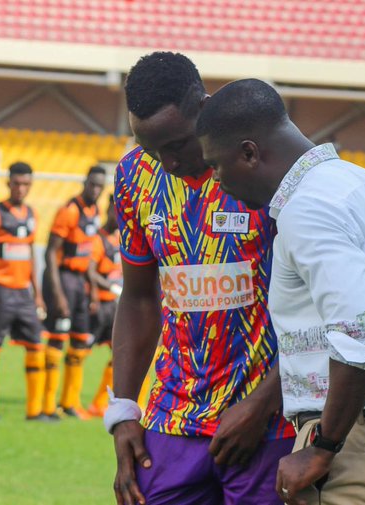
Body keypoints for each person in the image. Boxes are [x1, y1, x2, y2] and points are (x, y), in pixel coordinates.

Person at [196, 79, 365, 505]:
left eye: (216, 165)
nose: (216, 180)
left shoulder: (307, 208)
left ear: (249, 153)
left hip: (357, 456)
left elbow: (361, 331)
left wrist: (324, 446)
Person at [106, 52, 294, 505]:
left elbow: (315, 306)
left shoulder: (260, 171)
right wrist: (124, 408)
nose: (167, 162)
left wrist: (264, 403)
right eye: (153, 148)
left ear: (204, 108)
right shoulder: (134, 176)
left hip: (267, 423)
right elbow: (138, 300)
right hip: (173, 418)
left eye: (178, 144)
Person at [0, 162, 47, 421]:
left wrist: (37, 293)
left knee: (36, 346)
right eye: (16, 183)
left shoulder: (32, 214)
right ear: (8, 183)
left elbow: (30, 256)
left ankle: (34, 411)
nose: (21, 189)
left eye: (26, 184)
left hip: (23, 294)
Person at [42, 165, 105, 420]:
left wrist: (92, 292)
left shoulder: (95, 211)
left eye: (100, 186)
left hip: (81, 282)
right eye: (93, 184)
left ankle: (69, 402)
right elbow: (50, 253)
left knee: (80, 341)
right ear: (85, 183)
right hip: (64, 279)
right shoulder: (69, 211)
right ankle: (47, 405)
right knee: (57, 340)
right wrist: (56, 294)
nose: (96, 190)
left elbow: (89, 255)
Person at [86, 194, 122, 417]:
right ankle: (67, 402)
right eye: (114, 210)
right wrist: (108, 286)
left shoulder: (121, 238)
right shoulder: (98, 239)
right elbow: (90, 270)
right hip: (97, 305)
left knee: (117, 355)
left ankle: (100, 403)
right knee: (80, 352)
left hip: (116, 308)